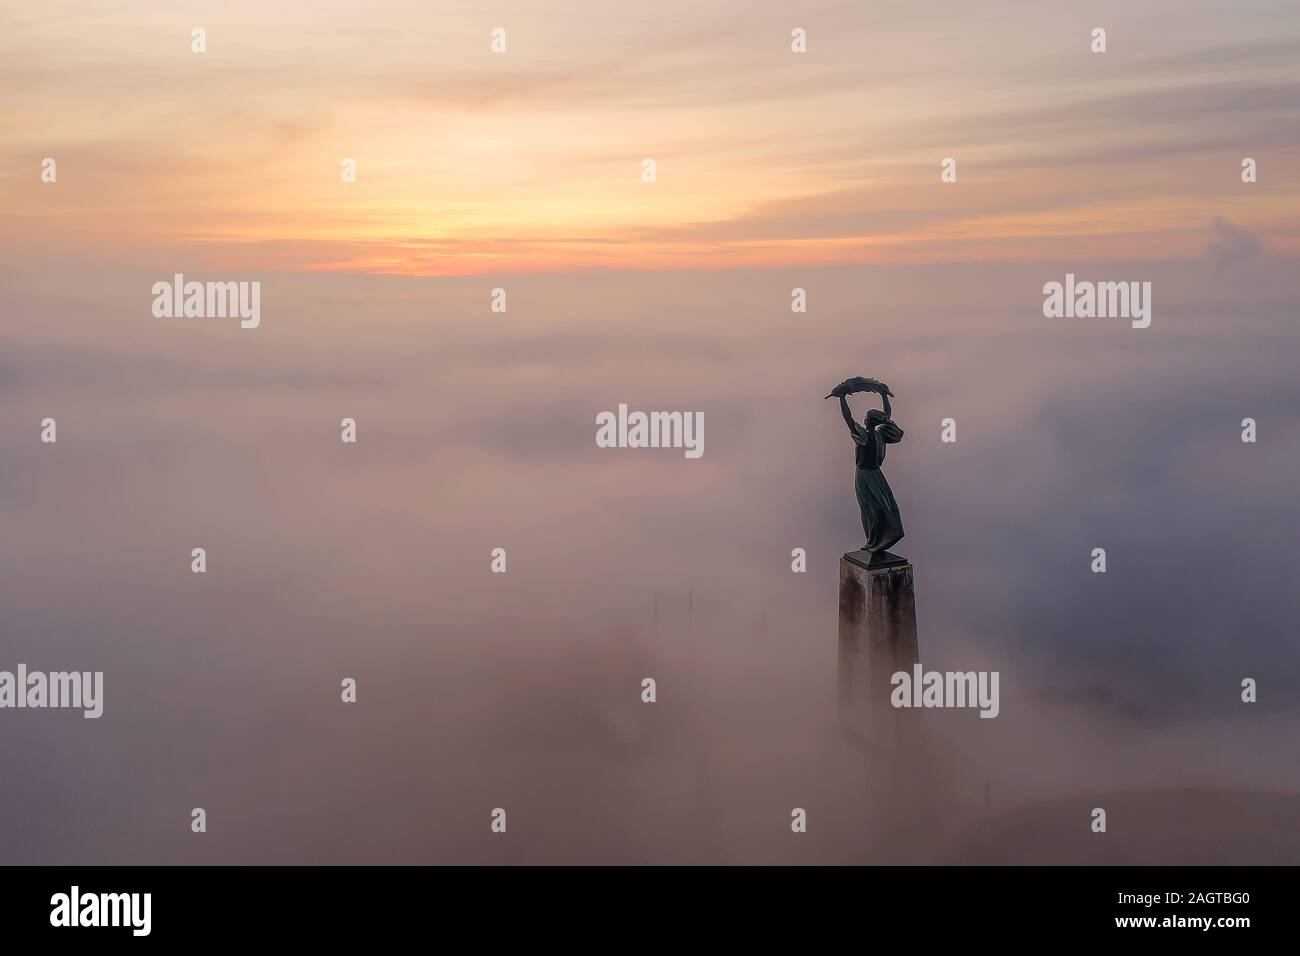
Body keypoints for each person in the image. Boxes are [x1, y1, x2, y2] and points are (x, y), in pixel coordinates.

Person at [838, 390, 905, 559]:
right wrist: (883, 396)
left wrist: (843, 398)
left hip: (871, 475)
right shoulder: (873, 435)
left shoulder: (872, 434)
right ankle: (873, 541)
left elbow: (849, 418)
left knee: (881, 507)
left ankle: (878, 539)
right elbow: (885, 415)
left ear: (869, 421)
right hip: (868, 475)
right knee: (872, 508)